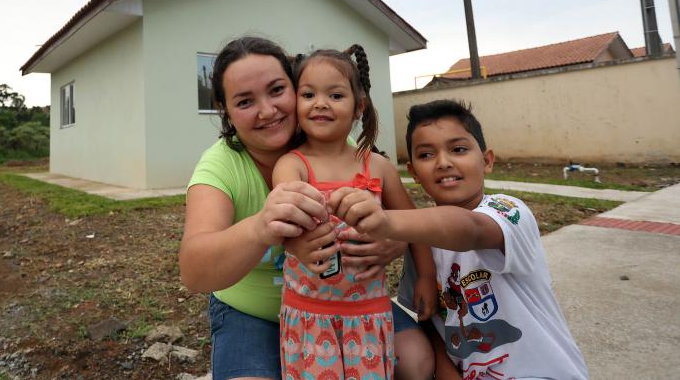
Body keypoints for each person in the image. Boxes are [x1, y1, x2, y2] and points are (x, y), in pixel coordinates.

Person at [178, 36, 411, 380]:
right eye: (245, 101)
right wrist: (263, 229)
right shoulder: (219, 167)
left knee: (416, 359)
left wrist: (393, 239)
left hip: (348, 303)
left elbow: (398, 215)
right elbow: (194, 272)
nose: (268, 110)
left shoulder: (334, 144)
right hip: (250, 313)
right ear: (224, 109)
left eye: (276, 90)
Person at [327, 99, 589, 379]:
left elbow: (471, 229)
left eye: (458, 149)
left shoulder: (509, 212)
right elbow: (427, 316)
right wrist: (445, 368)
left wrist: (388, 221)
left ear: (487, 160)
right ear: (413, 172)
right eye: (426, 155)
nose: (443, 162)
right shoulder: (422, 246)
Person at [272, 46, 436, 380]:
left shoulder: (379, 167)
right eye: (308, 94)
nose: (320, 103)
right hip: (308, 313)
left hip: (369, 313)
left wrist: (427, 278)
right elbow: (286, 222)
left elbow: (415, 225)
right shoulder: (291, 165)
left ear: (359, 106)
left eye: (335, 94)